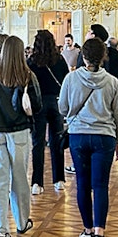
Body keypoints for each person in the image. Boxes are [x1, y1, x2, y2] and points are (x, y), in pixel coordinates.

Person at [59, 38, 118, 237]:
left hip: (78, 136)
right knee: (100, 185)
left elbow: (62, 107)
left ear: (83, 56)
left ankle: (87, 229)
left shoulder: (71, 79)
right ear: (104, 57)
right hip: (104, 137)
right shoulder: (113, 82)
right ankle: (99, 233)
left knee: (82, 184)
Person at [0, 35, 41, 237]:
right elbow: (36, 105)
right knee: (20, 177)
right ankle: (22, 222)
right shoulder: (27, 75)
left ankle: (1, 229)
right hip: (19, 132)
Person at [27, 29, 69, 194]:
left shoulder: (31, 61)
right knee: (56, 141)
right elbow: (66, 82)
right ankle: (59, 180)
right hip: (56, 103)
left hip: (37, 104)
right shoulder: (59, 60)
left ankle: (37, 182)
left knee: (38, 143)